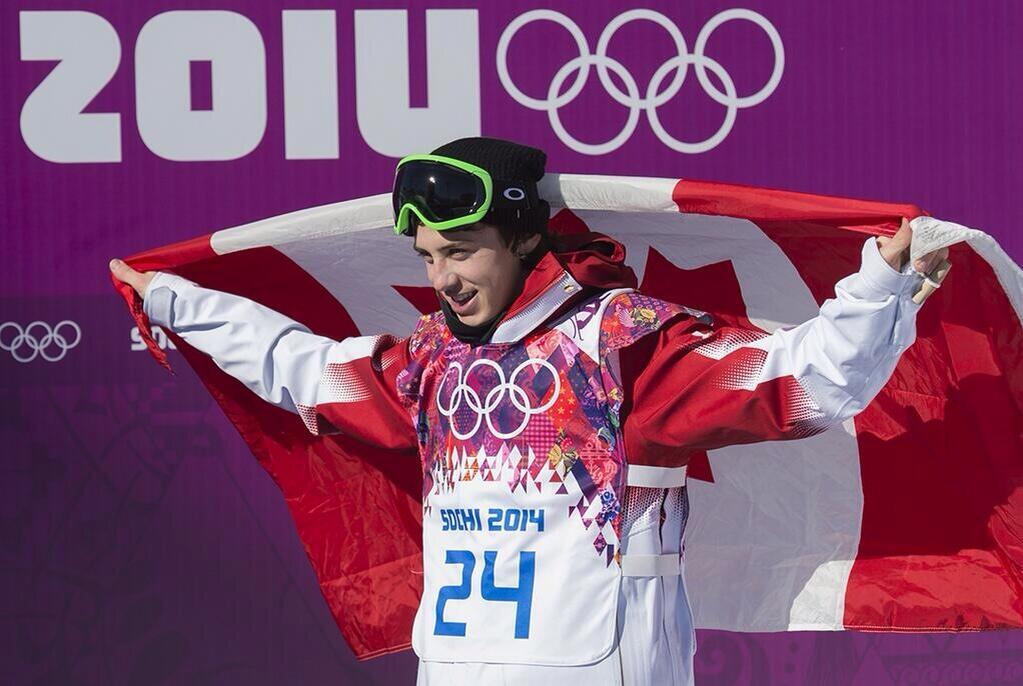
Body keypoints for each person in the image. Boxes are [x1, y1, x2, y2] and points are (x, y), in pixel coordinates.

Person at [110, 137, 949, 685]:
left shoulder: (621, 348)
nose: (443, 278)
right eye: (428, 256)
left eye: (461, 249)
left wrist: (881, 284)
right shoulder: (432, 364)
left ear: (522, 239)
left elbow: (804, 380)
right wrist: (176, 302)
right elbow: (300, 366)